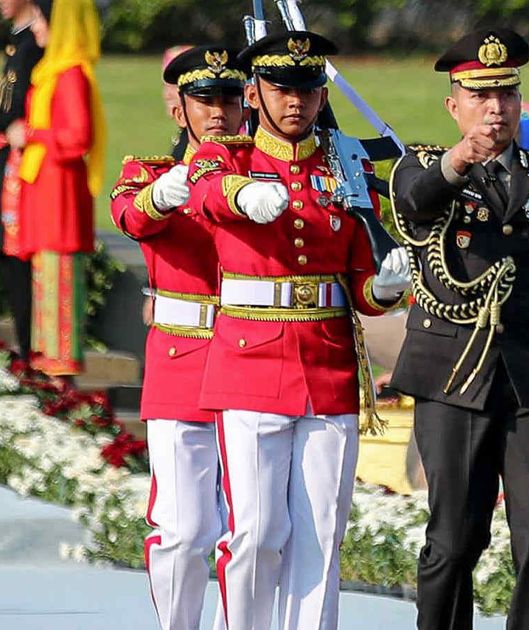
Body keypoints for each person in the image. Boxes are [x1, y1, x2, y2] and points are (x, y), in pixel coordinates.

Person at [187, 30, 410, 630]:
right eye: (282, 88)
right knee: (257, 532)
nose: (297, 102)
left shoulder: (345, 160)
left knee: (321, 535)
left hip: (327, 362)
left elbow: (362, 277)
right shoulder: (226, 155)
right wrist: (242, 194)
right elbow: (205, 193)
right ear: (255, 93)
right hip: (250, 361)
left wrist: (384, 289)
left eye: (309, 90)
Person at [387, 28, 529, 630]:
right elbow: (416, 203)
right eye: (479, 95)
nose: (495, 108)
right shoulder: (426, 167)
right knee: (456, 535)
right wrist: (460, 161)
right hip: (455, 375)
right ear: (454, 105)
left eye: (505, 94)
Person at [110, 44, 247, 630]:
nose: (217, 111)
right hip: (182, 356)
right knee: (185, 527)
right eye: (203, 101)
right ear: (180, 113)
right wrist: (167, 190)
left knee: (251, 528)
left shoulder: (264, 176)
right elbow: (133, 216)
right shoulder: (148, 173)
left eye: (228, 99)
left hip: (249, 357)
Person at [12, 0, 104, 377]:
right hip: (45, 191)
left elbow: (78, 137)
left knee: (59, 280)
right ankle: (46, 366)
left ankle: (59, 371)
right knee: (45, 279)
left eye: (40, 20)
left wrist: (31, 134)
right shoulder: (51, 72)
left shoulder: (70, 75)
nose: (35, 28)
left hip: (59, 197)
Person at [0, 0, 42, 360]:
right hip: (8, 156)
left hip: (23, 165)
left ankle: (30, 351)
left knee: (19, 259)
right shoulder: (16, 41)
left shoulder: (36, 45)